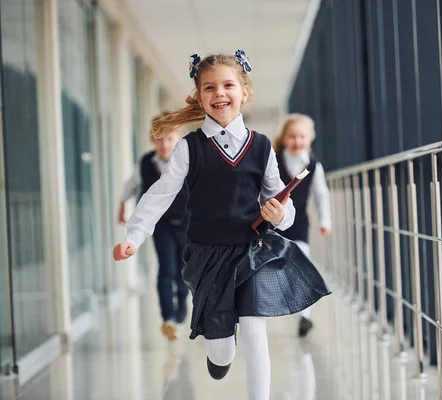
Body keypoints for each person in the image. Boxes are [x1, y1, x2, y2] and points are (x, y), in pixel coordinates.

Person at [112, 50, 330, 400]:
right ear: (200, 97)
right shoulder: (189, 148)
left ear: (244, 92)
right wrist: (134, 237)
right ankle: (220, 349)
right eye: (210, 87)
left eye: (228, 85)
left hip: (252, 251)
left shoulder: (261, 147)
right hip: (208, 256)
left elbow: (281, 204)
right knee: (221, 349)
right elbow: (159, 194)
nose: (220, 93)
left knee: (255, 331)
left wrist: (280, 216)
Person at [118, 112, 189, 341]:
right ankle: (168, 318)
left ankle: (180, 312)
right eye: (159, 139)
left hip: (187, 224)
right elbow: (131, 184)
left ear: (179, 138)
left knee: (184, 271)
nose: (165, 144)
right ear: (152, 140)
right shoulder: (146, 163)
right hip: (162, 225)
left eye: (170, 139)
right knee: (166, 269)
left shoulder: (187, 161)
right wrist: (122, 205)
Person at [272, 114, 332, 337]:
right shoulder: (274, 161)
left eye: (302, 137)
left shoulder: (314, 165)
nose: (297, 141)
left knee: (303, 265)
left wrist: (325, 221)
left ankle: (305, 317)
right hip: (274, 224)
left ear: (310, 139)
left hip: (299, 225)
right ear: (284, 138)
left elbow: (321, 194)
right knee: (280, 267)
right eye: (292, 136)